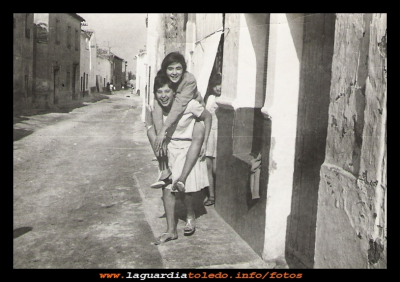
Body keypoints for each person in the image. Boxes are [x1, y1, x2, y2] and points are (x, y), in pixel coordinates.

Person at [146, 73, 211, 244]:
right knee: (167, 188)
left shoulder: (188, 105)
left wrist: (204, 140)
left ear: (174, 93)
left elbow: (208, 116)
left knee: (182, 189)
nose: (163, 96)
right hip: (169, 148)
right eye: (159, 92)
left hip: (187, 147)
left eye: (167, 91)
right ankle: (170, 231)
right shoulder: (157, 109)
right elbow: (151, 129)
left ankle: (190, 215)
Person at [150, 52, 206, 192]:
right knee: (151, 131)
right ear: (165, 69)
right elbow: (156, 105)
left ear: (184, 69)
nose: (174, 73)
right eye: (170, 69)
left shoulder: (189, 80)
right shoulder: (161, 78)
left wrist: (163, 130)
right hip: (176, 119)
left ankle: (183, 178)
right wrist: (159, 133)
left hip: (194, 114)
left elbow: (179, 105)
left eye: (178, 68)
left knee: (198, 131)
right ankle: (165, 170)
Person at [203, 73, 222, 206]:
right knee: (207, 166)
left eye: (220, 85)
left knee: (216, 168)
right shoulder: (210, 98)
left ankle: (219, 195)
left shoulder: (226, 99)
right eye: (215, 85)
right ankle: (211, 196)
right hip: (209, 134)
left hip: (220, 135)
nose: (218, 88)